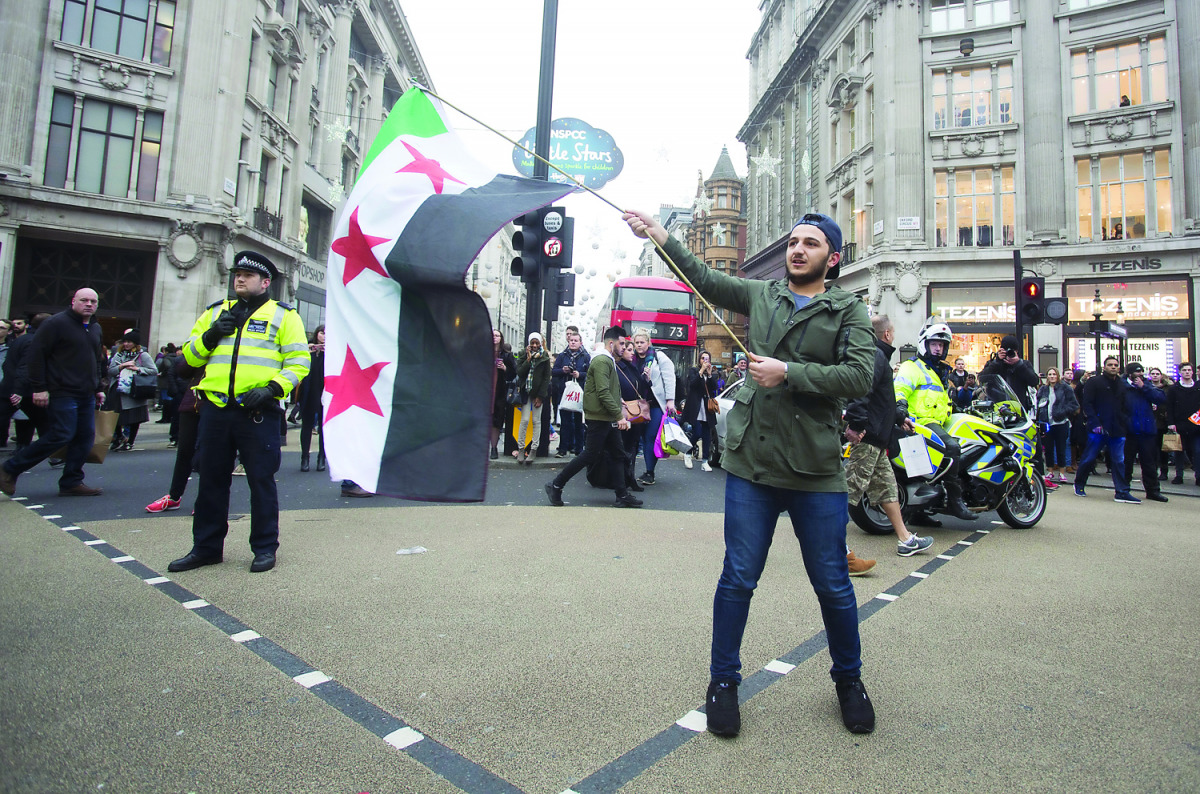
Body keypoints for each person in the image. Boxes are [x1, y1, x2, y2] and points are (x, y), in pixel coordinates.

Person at [623, 208, 876, 737]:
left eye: (810, 243)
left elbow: (859, 377)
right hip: (752, 467)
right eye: (793, 242)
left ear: (832, 257)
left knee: (832, 583)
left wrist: (789, 373)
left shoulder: (847, 309)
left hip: (815, 470)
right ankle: (723, 683)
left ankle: (849, 681)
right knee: (738, 578)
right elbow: (705, 279)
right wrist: (660, 234)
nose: (797, 249)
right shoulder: (764, 295)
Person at [167, 251, 309, 574]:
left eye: (247, 274)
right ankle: (205, 547)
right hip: (216, 410)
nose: (239, 279)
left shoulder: (284, 317)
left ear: (266, 282)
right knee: (211, 482)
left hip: (258, 412)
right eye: (237, 274)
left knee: (261, 482)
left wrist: (272, 389)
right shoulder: (215, 313)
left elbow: (299, 363)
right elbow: (186, 361)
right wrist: (212, 334)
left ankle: (263, 548)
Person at [0, 289, 106, 497]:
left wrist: (99, 388)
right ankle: (9, 468)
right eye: (84, 300)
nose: (89, 304)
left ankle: (71, 481)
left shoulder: (95, 327)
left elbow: (96, 360)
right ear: (73, 301)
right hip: (61, 390)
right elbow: (36, 357)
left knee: (84, 437)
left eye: (93, 301)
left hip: (86, 392)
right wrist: (39, 388)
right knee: (61, 434)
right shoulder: (55, 324)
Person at [844, 314, 934, 557]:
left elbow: (882, 400)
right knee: (847, 491)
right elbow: (862, 392)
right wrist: (857, 424)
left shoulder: (878, 356)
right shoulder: (876, 357)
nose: (894, 335)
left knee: (887, 490)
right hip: (868, 438)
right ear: (886, 334)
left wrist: (898, 418)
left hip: (876, 439)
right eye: (893, 332)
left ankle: (905, 540)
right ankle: (830, 544)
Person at [544, 325, 643, 509]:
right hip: (600, 417)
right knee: (589, 454)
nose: (624, 347)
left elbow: (608, 389)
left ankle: (621, 495)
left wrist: (618, 400)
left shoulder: (608, 360)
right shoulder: (602, 361)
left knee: (617, 454)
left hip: (605, 416)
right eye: (621, 344)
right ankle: (556, 485)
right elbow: (603, 391)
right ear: (611, 343)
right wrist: (619, 416)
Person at [894, 321, 977, 521]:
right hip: (921, 422)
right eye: (934, 344)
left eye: (941, 345)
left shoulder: (937, 372)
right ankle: (956, 501)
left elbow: (941, 400)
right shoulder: (913, 366)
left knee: (924, 470)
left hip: (937, 422)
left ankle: (918, 513)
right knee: (952, 447)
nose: (938, 348)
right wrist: (901, 408)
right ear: (925, 344)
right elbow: (900, 389)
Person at [1074, 356, 1138, 503]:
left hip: (1117, 428)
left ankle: (1122, 491)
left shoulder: (1122, 384)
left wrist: (1124, 422)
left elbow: (1125, 405)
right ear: (1104, 367)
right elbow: (1087, 404)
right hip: (1098, 427)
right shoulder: (1094, 382)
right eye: (1110, 365)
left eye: (1116, 365)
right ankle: (1079, 483)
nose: (1113, 367)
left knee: (1119, 461)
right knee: (1089, 458)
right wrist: (1095, 422)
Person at [145, 356, 204, 513]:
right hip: (192, 398)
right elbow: (182, 369)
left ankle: (206, 499)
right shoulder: (205, 336)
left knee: (210, 453)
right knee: (185, 450)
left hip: (218, 400)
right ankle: (174, 496)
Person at [632, 329, 676, 486]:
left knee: (651, 438)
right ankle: (631, 472)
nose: (639, 345)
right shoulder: (631, 359)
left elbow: (669, 379)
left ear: (648, 342)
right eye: (636, 343)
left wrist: (670, 400)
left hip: (656, 404)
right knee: (639, 438)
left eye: (642, 342)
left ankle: (650, 472)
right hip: (637, 405)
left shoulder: (659, 357)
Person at [1120, 362, 1167, 502]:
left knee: (1149, 463)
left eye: (1141, 372)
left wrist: (1143, 387)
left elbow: (1160, 398)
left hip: (1147, 431)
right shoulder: (1122, 386)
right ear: (1129, 373)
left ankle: (1153, 491)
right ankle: (1123, 489)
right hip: (1128, 431)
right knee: (1126, 463)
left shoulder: (1147, 385)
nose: (1140, 374)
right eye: (1137, 372)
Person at [106, 330, 157, 450]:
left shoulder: (142, 355)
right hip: (118, 389)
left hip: (134, 389)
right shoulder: (119, 355)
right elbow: (110, 370)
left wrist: (137, 369)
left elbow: (153, 370)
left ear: (135, 343)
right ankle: (120, 437)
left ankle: (130, 441)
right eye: (125, 342)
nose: (126, 344)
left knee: (134, 417)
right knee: (114, 416)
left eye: (129, 342)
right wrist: (121, 366)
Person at [615, 338, 649, 492]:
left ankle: (630, 477)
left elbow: (640, 388)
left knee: (633, 446)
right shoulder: (617, 367)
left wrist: (646, 379)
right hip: (623, 412)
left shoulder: (633, 367)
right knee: (623, 446)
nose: (632, 352)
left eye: (632, 350)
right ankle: (621, 479)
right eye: (628, 349)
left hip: (635, 413)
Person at [513, 332, 551, 464]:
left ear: (540, 343)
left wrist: (540, 396)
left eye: (537, 342)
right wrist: (528, 360)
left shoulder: (545, 356)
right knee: (524, 420)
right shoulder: (523, 354)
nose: (534, 345)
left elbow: (546, 378)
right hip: (525, 391)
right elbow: (519, 372)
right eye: (532, 342)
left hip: (537, 393)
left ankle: (534, 450)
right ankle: (521, 449)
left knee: (536, 421)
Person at [552, 330, 590, 457]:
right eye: (571, 341)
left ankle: (579, 449)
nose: (573, 343)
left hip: (579, 392)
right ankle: (562, 449)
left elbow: (590, 373)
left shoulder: (585, 356)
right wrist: (563, 371)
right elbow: (554, 371)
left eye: (575, 341)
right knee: (565, 422)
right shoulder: (563, 355)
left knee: (579, 422)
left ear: (580, 342)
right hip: (565, 392)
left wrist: (580, 374)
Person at [1036, 368, 1079, 483]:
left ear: (1058, 375)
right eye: (1050, 374)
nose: (1052, 376)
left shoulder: (1065, 388)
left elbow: (1074, 405)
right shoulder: (1043, 389)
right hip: (1046, 423)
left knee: (1061, 448)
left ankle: (1062, 472)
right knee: (1048, 449)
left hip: (1061, 422)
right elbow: (1039, 404)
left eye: (1054, 374)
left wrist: (1063, 412)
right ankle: (1050, 471)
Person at [681, 350, 719, 472]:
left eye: (707, 359)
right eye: (703, 358)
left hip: (707, 407)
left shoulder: (712, 372)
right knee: (697, 432)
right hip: (696, 406)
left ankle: (705, 461)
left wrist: (709, 375)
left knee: (707, 435)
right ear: (699, 360)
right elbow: (692, 384)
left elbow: (714, 388)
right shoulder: (693, 371)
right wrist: (701, 372)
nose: (705, 361)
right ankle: (687, 452)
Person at [298, 325, 325, 473]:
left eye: (327, 333)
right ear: (316, 334)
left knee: (324, 427)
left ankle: (322, 458)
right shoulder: (308, 350)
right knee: (307, 426)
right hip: (308, 393)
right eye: (322, 333)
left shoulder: (333, 352)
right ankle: (305, 458)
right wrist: (307, 350)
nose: (324, 336)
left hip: (324, 393)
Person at [1166, 362, 1199, 485]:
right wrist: (1171, 423)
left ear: (1192, 372)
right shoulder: (1174, 389)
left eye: (1189, 370)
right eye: (1184, 370)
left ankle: (1198, 476)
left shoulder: (1198, 388)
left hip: (1196, 426)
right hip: (1179, 425)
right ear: (1180, 372)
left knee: (1197, 451)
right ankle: (1179, 475)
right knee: (1178, 451)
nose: (1187, 372)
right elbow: (1170, 407)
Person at [490, 329, 516, 461]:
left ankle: (494, 448)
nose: (494, 337)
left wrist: (504, 368)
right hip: (485, 390)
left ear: (501, 338)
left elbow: (513, 373)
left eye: (497, 335)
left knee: (497, 420)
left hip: (499, 391)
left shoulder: (506, 355)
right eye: (493, 335)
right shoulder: (483, 352)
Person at [1147, 366, 1173, 481]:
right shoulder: (1146, 388)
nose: (1155, 375)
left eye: (1157, 373)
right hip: (1150, 421)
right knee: (1152, 449)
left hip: (1163, 422)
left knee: (1163, 449)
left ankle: (1164, 471)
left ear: (1161, 376)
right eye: (1153, 374)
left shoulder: (1167, 389)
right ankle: (1153, 470)